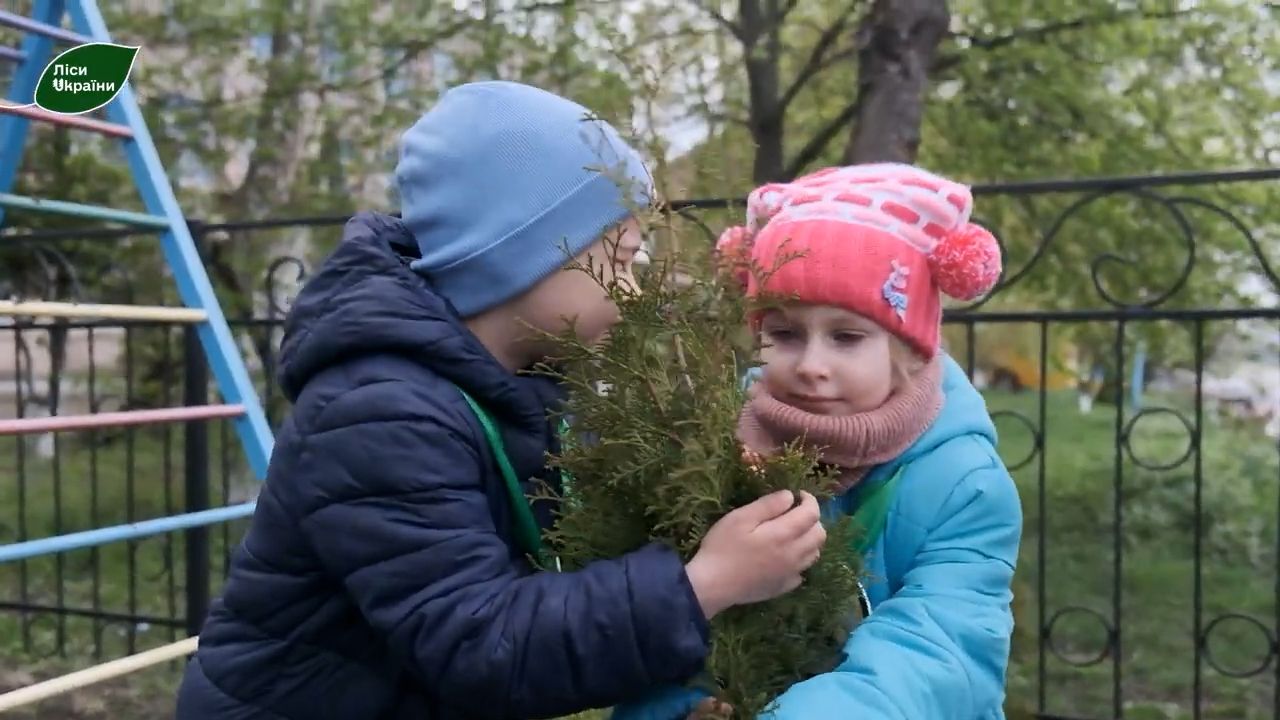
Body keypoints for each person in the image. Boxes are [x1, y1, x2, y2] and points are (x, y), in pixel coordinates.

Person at [174, 80, 827, 720]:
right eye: (621, 261)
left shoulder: (517, 381)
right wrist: (705, 583)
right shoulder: (381, 411)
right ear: (525, 253)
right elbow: (482, 643)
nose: (632, 293)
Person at [613, 163, 1024, 720]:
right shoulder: (718, 441)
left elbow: (939, 648)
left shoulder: (964, 484)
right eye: (784, 334)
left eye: (846, 337)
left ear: (906, 349)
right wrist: (684, 705)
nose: (811, 365)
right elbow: (678, 610)